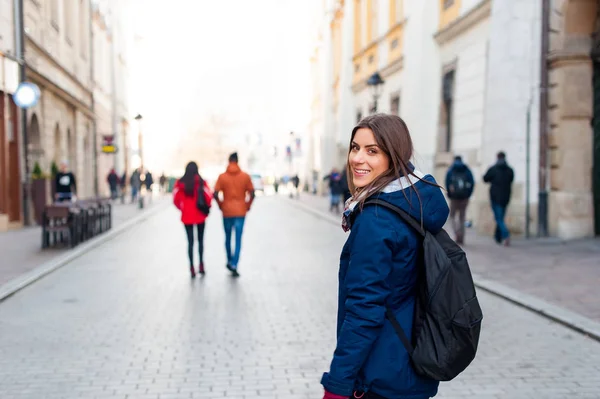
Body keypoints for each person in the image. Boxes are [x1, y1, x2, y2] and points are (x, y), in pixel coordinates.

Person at [321, 114, 449, 399]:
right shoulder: (414, 201)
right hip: (411, 368)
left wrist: (337, 386)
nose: (357, 158)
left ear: (394, 156)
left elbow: (364, 309)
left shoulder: (376, 219)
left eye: (372, 151)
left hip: (380, 376)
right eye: (355, 147)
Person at [213, 152, 255, 277]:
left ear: (228, 161)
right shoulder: (245, 176)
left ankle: (229, 260)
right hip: (241, 211)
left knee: (227, 238)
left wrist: (221, 205)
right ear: (237, 161)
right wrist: (247, 206)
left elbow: (215, 194)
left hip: (226, 211)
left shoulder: (222, 177)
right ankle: (234, 264)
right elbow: (252, 193)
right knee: (238, 239)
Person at [173, 162, 212, 278]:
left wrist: (182, 208)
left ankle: (191, 267)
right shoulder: (201, 181)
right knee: (200, 241)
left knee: (190, 243)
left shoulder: (180, 183)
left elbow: (175, 199)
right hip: (200, 216)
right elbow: (208, 197)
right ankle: (201, 264)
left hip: (186, 216)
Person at [483, 151, 514, 246]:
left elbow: (485, 178)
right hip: (505, 197)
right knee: (500, 217)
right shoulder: (509, 170)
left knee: (499, 218)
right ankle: (497, 237)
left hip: (495, 198)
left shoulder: (493, 169)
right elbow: (511, 179)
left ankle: (506, 235)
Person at [445, 155, 475, 244]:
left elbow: (447, 182)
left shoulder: (451, 170)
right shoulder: (466, 170)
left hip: (454, 197)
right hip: (464, 197)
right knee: (462, 217)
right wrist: (468, 194)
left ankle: (456, 232)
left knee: (452, 216)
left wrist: (450, 195)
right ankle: (461, 237)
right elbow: (472, 182)